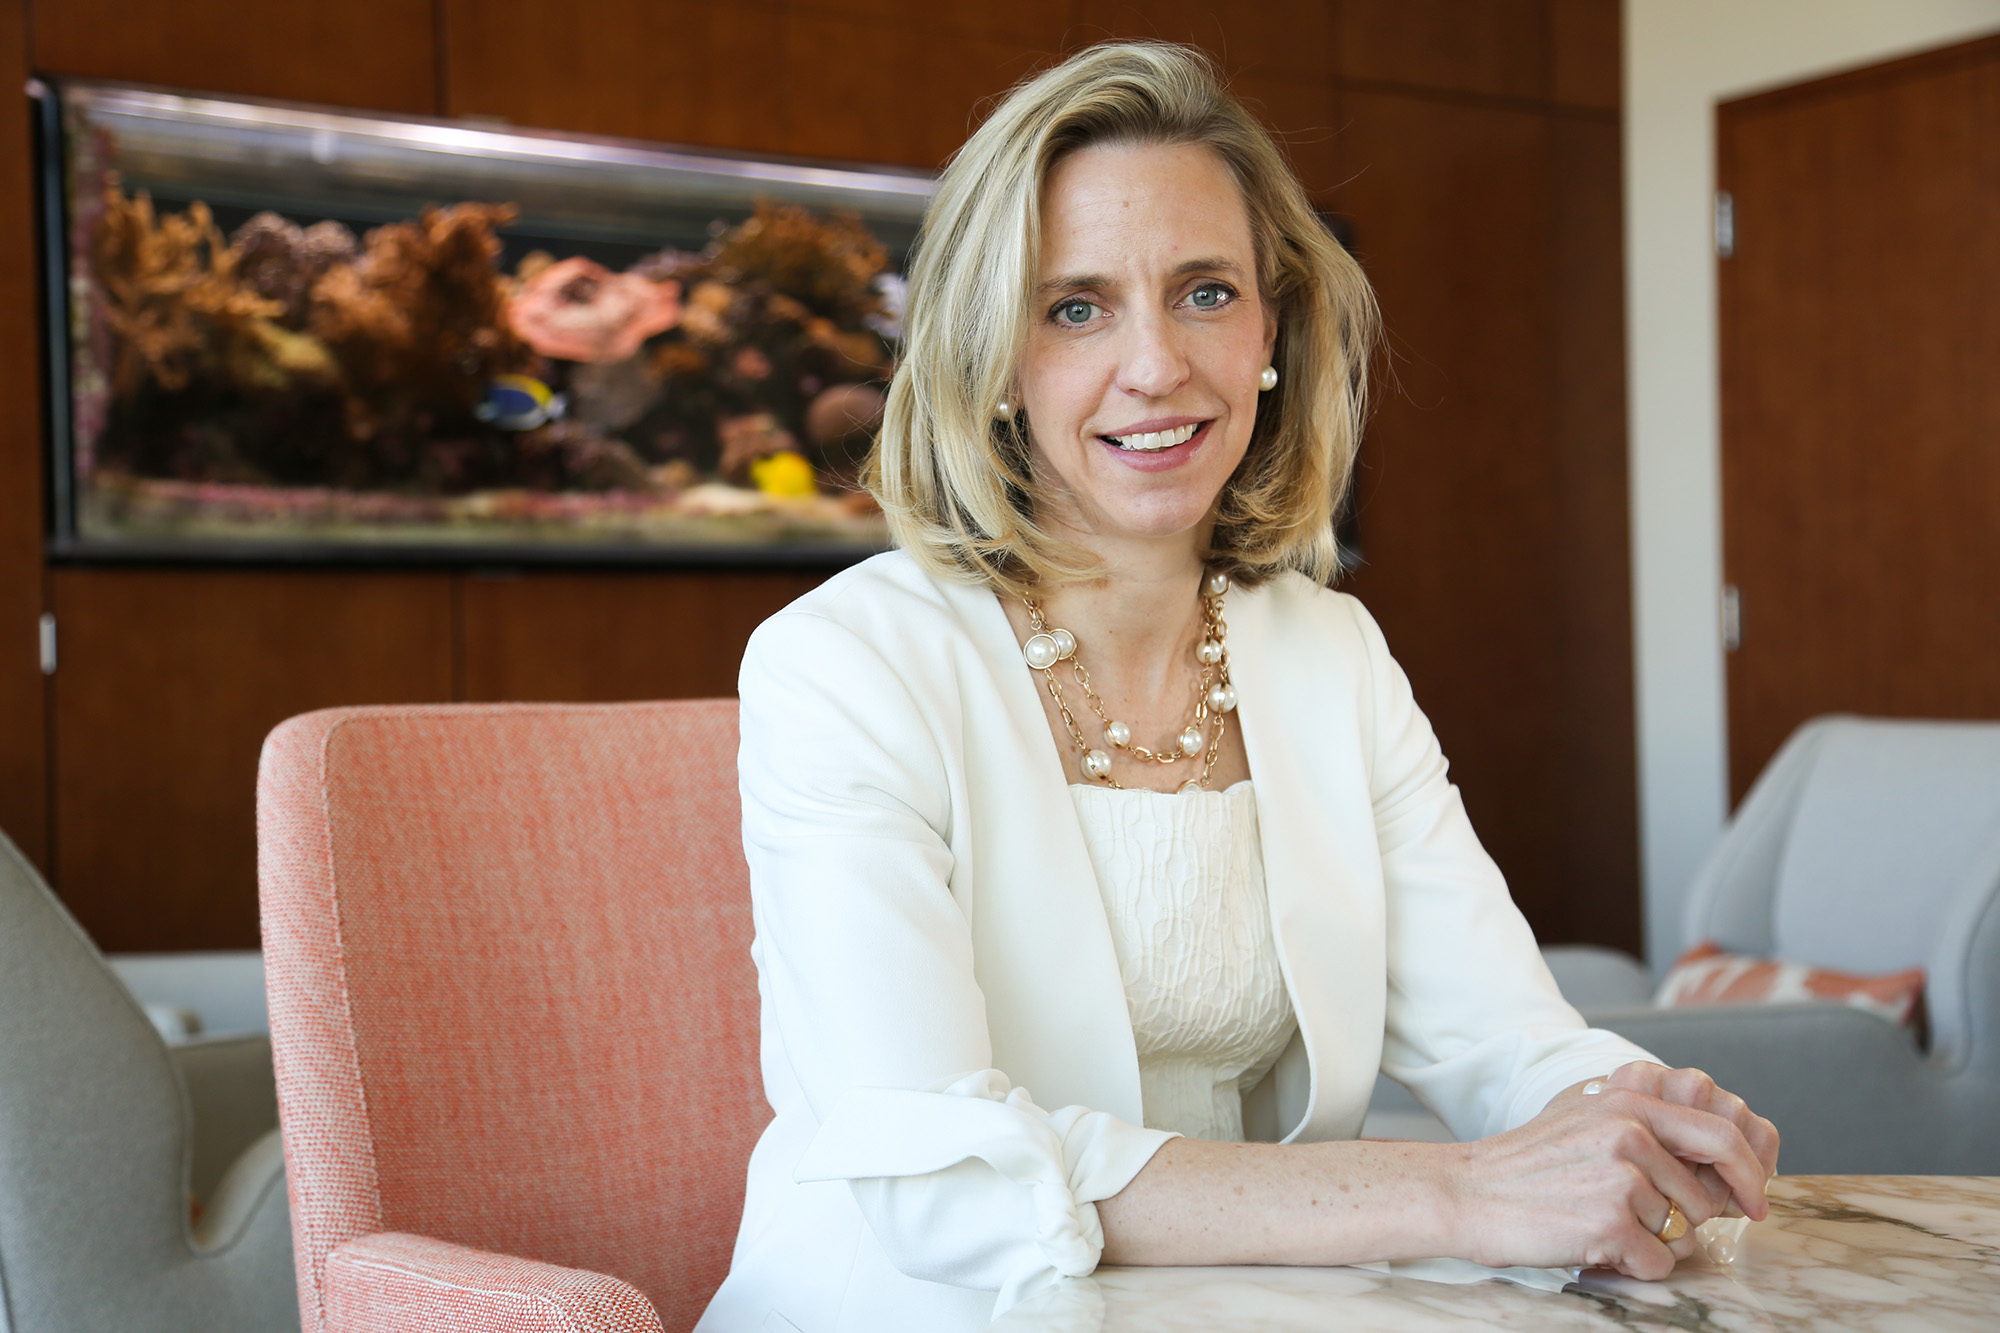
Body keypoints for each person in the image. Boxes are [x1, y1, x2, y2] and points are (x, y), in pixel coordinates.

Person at [696, 41, 1778, 1333]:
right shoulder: (847, 661)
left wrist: (1647, 1113)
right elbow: (943, 1179)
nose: (1156, 365)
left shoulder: (1335, 654)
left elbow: (1507, 1042)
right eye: (1076, 306)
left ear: (1274, 327)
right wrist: (1457, 1192)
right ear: (992, 355)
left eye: (1205, 291)